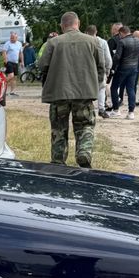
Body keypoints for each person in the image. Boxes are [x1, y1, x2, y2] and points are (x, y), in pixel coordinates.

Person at [38, 11, 104, 168]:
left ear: (62, 26)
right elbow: (101, 67)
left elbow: (42, 66)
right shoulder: (93, 41)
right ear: (78, 23)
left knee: (58, 128)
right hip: (84, 93)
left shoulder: (53, 43)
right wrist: (94, 84)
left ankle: (58, 161)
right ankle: (84, 152)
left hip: (58, 93)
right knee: (85, 125)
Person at [111, 26, 139, 118]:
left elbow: (117, 57)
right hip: (134, 67)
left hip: (122, 68)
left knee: (114, 88)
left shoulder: (122, 41)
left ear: (121, 33)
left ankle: (116, 110)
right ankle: (131, 112)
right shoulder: (138, 41)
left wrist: (113, 67)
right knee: (131, 89)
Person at [85, 25, 113, 117]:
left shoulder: (83, 42)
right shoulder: (102, 42)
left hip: (86, 69)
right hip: (100, 69)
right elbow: (107, 57)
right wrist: (108, 69)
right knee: (101, 89)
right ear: (96, 32)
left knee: (87, 89)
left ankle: (88, 108)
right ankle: (101, 108)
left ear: (86, 32)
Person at [2, 31, 22, 96]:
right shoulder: (7, 43)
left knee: (14, 78)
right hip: (9, 62)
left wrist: (22, 61)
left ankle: (12, 92)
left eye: (13, 38)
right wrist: (5, 60)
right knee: (11, 76)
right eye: (11, 37)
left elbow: (20, 53)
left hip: (15, 62)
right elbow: (4, 52)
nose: (11, 39)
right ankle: (2, 84)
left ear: (16, 38)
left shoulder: (19, 44)